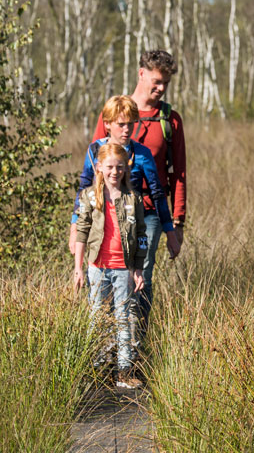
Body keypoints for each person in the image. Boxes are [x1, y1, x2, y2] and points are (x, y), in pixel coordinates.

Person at [91, 50, 187, 347]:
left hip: (151, 214)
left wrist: (178, 221)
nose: (161, 89)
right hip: (112, 210)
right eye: (157, 81)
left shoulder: (169, 120)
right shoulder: (113, 112)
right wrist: (83, 219)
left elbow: (179, 173)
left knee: (140, 277)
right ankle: (105, 349)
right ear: (141, 74)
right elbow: (95, 164)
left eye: (166, 85)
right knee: (108, 276)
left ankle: (135, 350)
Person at [73, 143, 147, 389]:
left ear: (126, 168)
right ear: (99, 168)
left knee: (124, 317)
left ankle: (123, 371)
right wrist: (78, 268)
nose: (114, 172)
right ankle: (96, 367)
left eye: (119, 167)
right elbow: (82, 232)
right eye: (110, 167)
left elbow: (141, 234)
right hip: (98, 267)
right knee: (97, 317)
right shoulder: (90, 197)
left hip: (123, 268)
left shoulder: (133, 198)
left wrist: (138, 268)